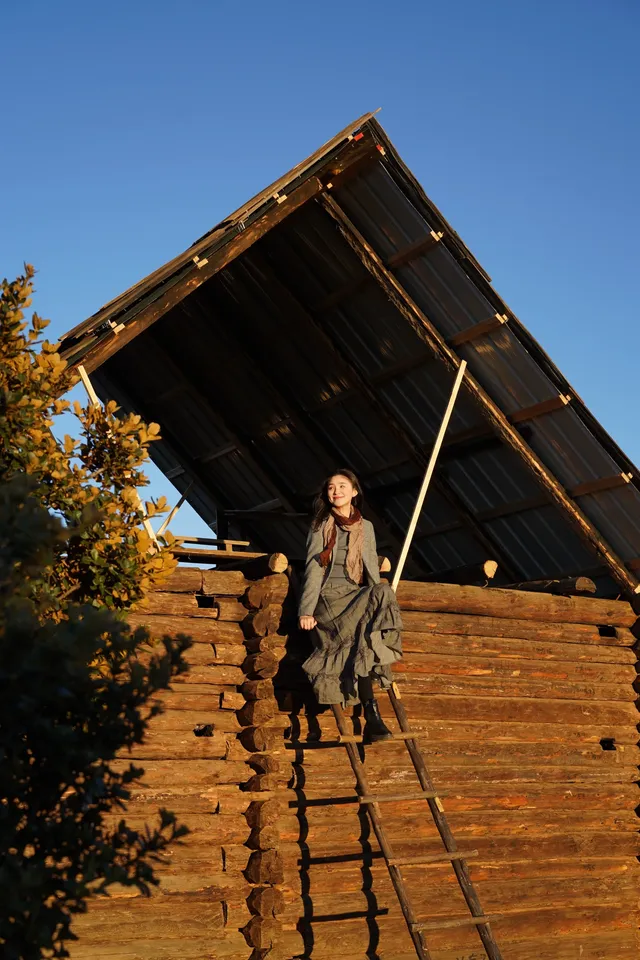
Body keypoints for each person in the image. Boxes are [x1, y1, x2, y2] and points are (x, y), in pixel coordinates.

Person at [298, 469, 403, 742]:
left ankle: (372, 715)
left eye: (342, 486)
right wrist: (306, 611)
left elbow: (370, 567)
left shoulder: (365, 527)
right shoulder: (320, 525)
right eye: (331, 487)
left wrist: (375, 603)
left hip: (355, 593)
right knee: (362, 636)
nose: (337, 491)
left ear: (354, 492)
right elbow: (313, 568)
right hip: (328, 597)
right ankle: (372, 715)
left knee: (381, 594)